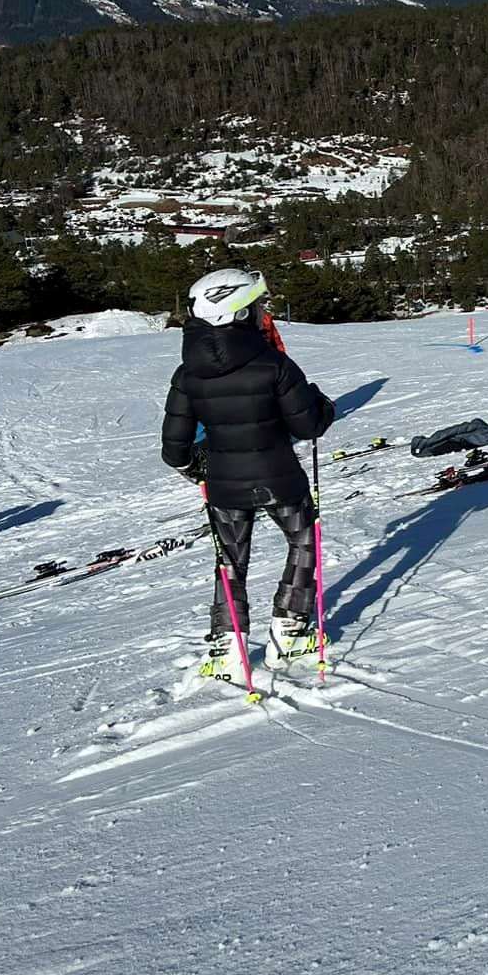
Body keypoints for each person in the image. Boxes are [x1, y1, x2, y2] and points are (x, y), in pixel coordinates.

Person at [161, 268, 335, 679]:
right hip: (280, 479)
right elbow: (308, 425)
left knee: (230, 560)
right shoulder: (274, 364)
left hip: (224, 485)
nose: (261, 313)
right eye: (256, 306)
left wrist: (195, 468)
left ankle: (227, 647)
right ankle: (289, 631)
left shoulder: (187, 374)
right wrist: (322, 404)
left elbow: (174, 449)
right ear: (238, 313)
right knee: (302, 542)